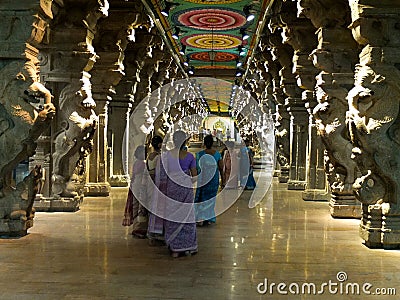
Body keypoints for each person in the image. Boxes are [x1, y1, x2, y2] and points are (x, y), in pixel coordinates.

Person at [150, 130, 198, 258]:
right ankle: (187, 247)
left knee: (172, 216)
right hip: (185, 190)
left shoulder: (166, 156)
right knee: (187, 217)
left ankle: (174, 247)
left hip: (171, 189)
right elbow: (194, 177)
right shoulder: (190, 157)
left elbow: (162, 175)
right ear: (185, 141)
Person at [195, 134, 224, 226]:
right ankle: (208, 217)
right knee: (211, 199)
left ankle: (201, 218)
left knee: (202, 199)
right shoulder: (217, 155)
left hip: (202, 179)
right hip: (213, 180)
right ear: (213, 143)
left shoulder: (199, 155)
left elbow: (197, 169)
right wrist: (223, 181)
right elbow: (221, 168)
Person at [122, 145, 148, 238]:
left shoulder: (136, 163)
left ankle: (136, 227)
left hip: (136, 185)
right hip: (141, 186)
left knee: (135, 206)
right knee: (140, 207)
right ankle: (139, 228)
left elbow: (133, 176)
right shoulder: (143, 164)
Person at [146, 135, 165, 245]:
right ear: (159, 145)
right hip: (157, 183)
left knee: (151, 205)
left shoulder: (149, 156)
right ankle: (156, 232)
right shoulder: (159, 157)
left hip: (150, 182)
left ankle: (151, 230)